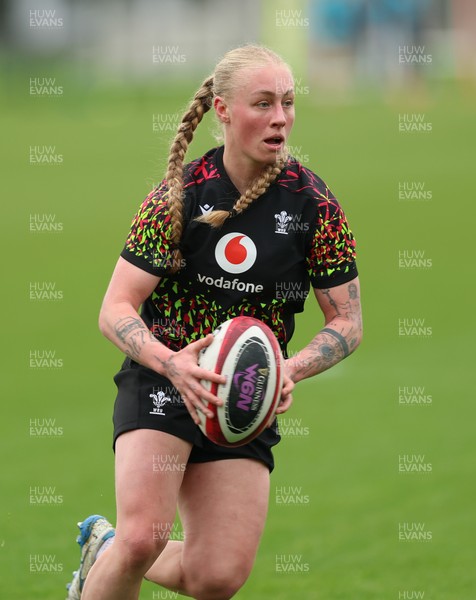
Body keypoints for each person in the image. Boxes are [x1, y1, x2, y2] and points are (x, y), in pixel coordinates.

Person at [66, 44, 362, 600]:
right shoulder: (179, 197)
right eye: (263, 103)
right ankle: (117, 550)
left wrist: (287, 369)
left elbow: (346, 320)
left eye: (288, 103)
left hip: (245, 392)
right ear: (223, 110)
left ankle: (100, 548)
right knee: (142, 541)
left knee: (217, 577)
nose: (280, 118)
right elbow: (116, 309)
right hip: (164, 377)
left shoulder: (314, 205)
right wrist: (170, 365)